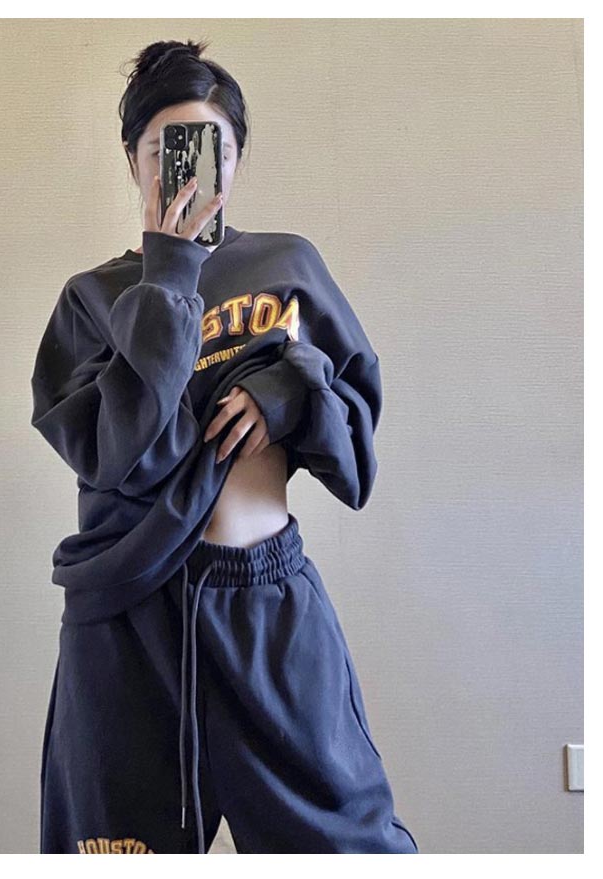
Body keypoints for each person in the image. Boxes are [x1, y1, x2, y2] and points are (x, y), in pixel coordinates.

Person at [31, 38, 419, 855]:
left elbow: (355, 432)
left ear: (237, 158)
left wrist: (289, 390)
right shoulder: (92, 300)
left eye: (214, 149)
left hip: (266, 602)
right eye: (163, 150)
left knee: (351, 845)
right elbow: (119, 452)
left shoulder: (288, 265)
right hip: (130, 617)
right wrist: (168, 273)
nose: (186, 173)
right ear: (133, 161)